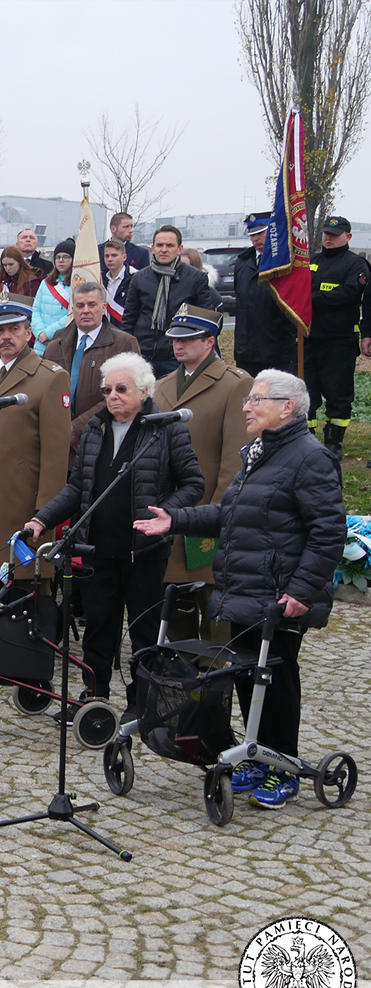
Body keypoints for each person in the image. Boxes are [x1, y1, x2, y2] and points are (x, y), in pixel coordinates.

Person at [135, 370, 344, 809]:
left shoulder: (310, 458)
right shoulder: (259, 453)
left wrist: (301, 591)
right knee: (249, 675)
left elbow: (328, 533)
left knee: (277, 679)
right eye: (248, 399)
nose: (246, 407)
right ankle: (257, 755)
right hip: (245, 589)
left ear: (287, 408)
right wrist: (176, 521)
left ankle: (282, 767)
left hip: (281, 595)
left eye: (256, 400)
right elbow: (227, 515)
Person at [23, 353, 204, 702]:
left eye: (122, 389)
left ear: (144, 391)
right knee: (98, 628)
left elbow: (194, 483)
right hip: (98, 549)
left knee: (144, 632)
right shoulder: (96, 428)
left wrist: (166, 513)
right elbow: (78, 487)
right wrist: (42, 519)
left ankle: (142, 702)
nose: (112, 396)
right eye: (107, 390)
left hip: (144, 551)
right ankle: (95, 697)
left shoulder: (167, 428)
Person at [153, 303, 253, 641]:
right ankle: (179, 665)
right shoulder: (163, 384)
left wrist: (220, 511)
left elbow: (235, 457)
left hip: (207, 506)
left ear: (210, 341)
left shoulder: (235, 384)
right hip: (168, 507)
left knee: (212, 601)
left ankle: (215, 671)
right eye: (174, 339)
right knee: (173, 598)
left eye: (188, 339)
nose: (178, 345)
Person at [0, 294, 71, 580]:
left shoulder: (50, 377)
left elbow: (55, 455)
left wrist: (46, 512)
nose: (6, 336)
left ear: (29, 333)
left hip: (23, 504)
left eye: (14, 329)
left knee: (25, 590)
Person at [43, 281, 142, 450]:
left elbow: (129, 395)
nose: (86, 310)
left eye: (92, 305)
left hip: (104, 438)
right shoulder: (55, 346)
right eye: (80, 305)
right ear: (72, 309)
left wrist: (78, 428)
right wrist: (60, 428)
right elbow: (45, 393)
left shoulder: (123, 344)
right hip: (58, 440)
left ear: (103, 308)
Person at [305, 215, 371, 459]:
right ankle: (306, 440)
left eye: (334, 235)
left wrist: (311, 298)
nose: (328, 238)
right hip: (309, 338)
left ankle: (334, 442)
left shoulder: (356, 264)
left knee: (338, 394)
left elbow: (348, 294)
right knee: (306, 392)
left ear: (348, 236)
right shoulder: (312, 261)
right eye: (326, 234)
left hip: (339, 340)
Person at [121, 224, 223, 378]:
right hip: (143, 354)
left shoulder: (195, 278)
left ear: (179, 249)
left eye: (169, 245)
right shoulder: (139, 278)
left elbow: (205, 320)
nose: (164, 249)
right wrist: (129, 351)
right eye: (159, 245)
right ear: (153, 248)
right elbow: (129, 318)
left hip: (178, 355)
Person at [231, 212, 296, 375]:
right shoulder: (243, 262)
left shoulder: (284, 261)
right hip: (246, 347)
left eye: (260, 233)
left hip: (276, 346)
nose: (256, 239)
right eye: (252, 235)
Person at [31, 238, 75, 345]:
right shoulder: (45, 283)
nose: (61, 260)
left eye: (66, 257)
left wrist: (49, 333)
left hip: (63, 341)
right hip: (41, 341)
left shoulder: (77, 284)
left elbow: (73, 314)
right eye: (58, 257)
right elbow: (36, 310)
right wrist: (40, 333)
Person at [102, 239, 135, 323]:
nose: (110, 259)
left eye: (114, 255)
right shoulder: (101, 278)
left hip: (125, 326)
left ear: (124, 257)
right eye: (107, 256)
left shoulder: (134, 278)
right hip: (105, 327)